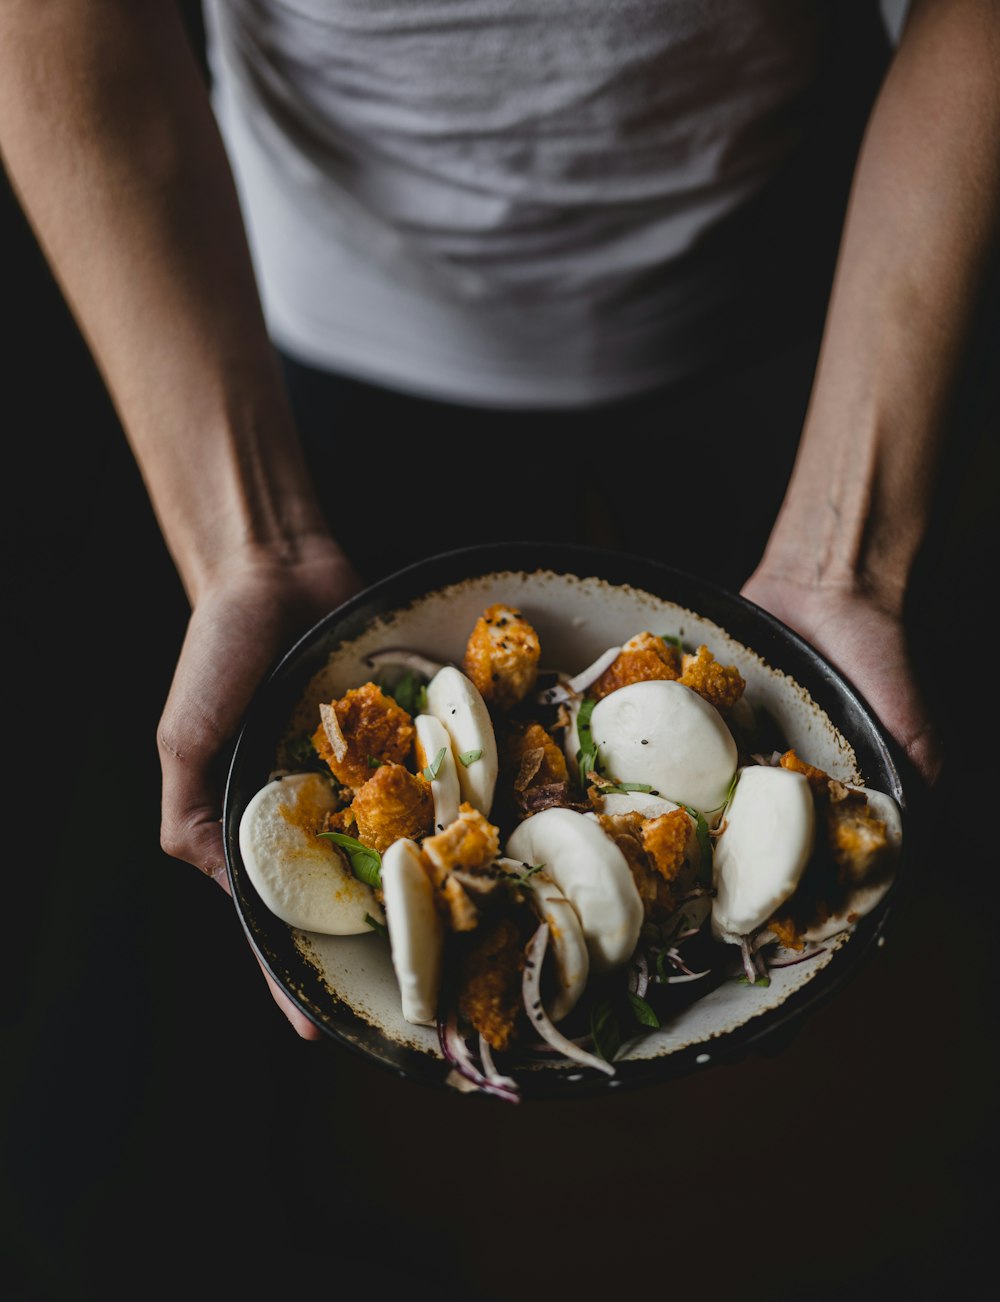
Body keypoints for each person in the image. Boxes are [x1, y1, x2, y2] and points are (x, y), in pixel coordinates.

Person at [1, 0, 996, 1047]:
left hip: (811, 295)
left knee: (873, 759)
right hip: (331, 326)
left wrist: (848, 556)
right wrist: (251, 546)